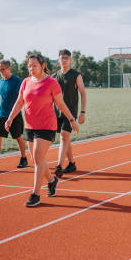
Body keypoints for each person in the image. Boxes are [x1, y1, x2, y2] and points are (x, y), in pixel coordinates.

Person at [5, 54, 79, 207]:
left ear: (43, 65)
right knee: (37, 159)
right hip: (29, 126)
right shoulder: (25, 82)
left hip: (46, 126)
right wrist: (10, 118)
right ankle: (52, 181)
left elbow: (61, 104)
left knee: (38, 157)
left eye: (34, 66)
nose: (31, 69)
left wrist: (71, 119)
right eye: (29, 66)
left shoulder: (51, 82)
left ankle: (35, 194)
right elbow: (20, 102)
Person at [52, 49, 87, 178]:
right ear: (58, 59)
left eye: (67, 57)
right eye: (62, 57)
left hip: (71, 112)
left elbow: (83, 93)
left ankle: (59, 166)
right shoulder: (54, 77)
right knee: (65, 138)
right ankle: (72, 163)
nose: (64, 59)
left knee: (63, 135)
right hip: (57, 112)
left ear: (70, 59)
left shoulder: (76, 75)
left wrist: (82, 112)